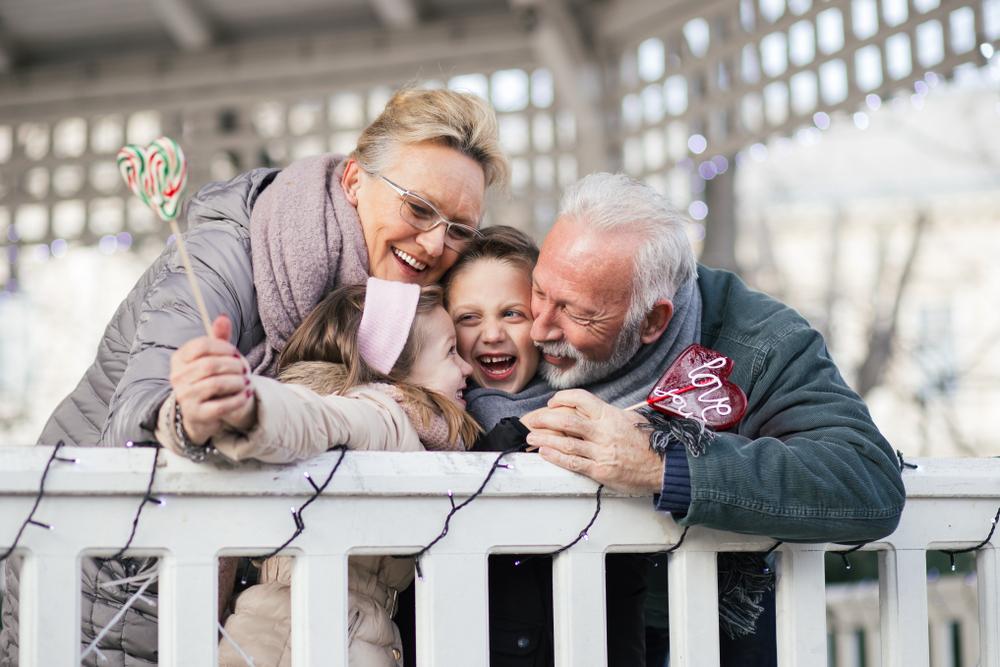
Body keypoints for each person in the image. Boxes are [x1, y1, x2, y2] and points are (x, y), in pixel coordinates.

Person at [1, 87, 507, 666]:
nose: (436, 243)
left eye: (459, 229)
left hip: (229, 587)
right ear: (352, 181)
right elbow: (139, 409)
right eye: (418, 208)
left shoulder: (401, 306)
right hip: (104, 561)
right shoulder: (233, 248)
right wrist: (194, 410)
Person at [464, 172, 906, 665]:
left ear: (653, 320)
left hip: (701, 635)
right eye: (541, 292)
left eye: (578, 314)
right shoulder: (502, 329)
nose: (541, 328)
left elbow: (867, 479)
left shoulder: (758, 340)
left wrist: (663, 465)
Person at [156, 278, 476, 666]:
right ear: (394, 372)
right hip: (301, 643)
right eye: (451, 352)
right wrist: (245, 407)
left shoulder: (414, 431)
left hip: (332, 633)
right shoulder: (384, 414)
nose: (466, 367)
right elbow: (315, 417)